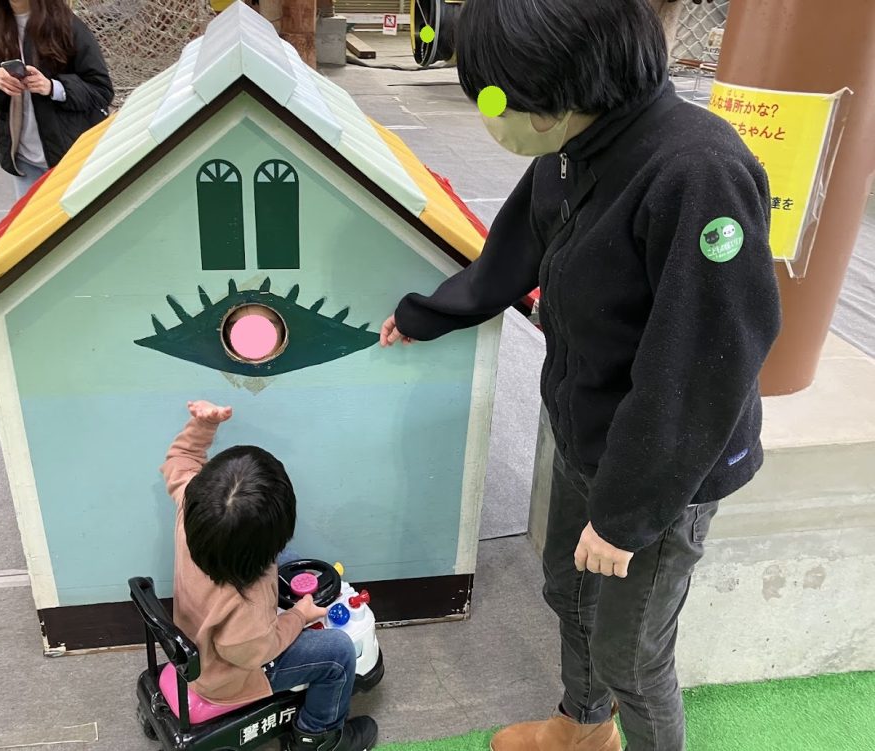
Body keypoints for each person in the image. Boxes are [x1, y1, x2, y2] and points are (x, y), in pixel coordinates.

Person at [380, 0, 781, 749]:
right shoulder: (570, 144)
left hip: (665, 465)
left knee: (634, 655)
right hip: (585, 427)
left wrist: (626, 514)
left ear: (565, 82)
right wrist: (429, 314)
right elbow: (515, 248)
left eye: (496, 97)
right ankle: (584, 728)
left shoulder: (699, 172)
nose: (490, 116)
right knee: (568, 590)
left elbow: (703, 365)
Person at [161, 399, 379, 751]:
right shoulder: (244, 603)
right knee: (338, 654)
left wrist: (203, 425)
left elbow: (181, 459)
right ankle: (318, 736)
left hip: (205, 630)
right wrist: (297, 616)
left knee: (293, 562)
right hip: (232, 673)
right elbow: (254, 652)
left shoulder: (190, 503)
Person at [0, 0, 113, 198]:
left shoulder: (67, 24)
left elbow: (101, 90)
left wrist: (53, 87)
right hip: (23, 159)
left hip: (71, 156)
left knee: (74, 216)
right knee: (29, 217)